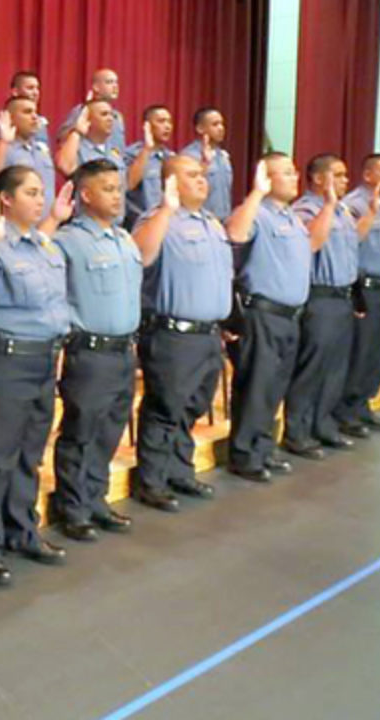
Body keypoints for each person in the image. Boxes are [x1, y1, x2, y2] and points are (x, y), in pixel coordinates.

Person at [0, 167, 74, 586]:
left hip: (42, 361)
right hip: (3, 365)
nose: (39, 198)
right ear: (5, 199)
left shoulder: (43, 244)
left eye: (42, 191)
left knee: (29, 454)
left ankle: (21, 531)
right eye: (30, 192)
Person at [130, 156, 240, 512]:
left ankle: (179, 470)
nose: (202, 181)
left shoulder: (212, 224)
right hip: (173, 334)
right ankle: (152, 480)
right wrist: (167, 207)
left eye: (203, 175)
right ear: (170, 182)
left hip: (208, 335)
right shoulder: (158, 220)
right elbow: (141, 256)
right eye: (192, 175)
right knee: (166, 407)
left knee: (192, 407)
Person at [51, 160, 147, 529]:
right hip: (88, 353)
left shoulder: (124, 239)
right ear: (86, 195)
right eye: (107, 188)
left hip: (123, 350)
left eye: (118, 187)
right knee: (82, 431)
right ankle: (72, 507)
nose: (117, 194)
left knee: (109, 430)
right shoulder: (67, 241)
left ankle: (95, 498)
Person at [224, 154, 317, 482]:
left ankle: (263, 447)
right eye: (286, 173)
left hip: (291, 316)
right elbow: (235, 234)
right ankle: (245, 454)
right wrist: (256, 193)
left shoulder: (291, 218)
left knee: (275, 387)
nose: (295, 177)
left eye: (294, 171)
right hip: (263, 314)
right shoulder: (256, 213)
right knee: (257, 386)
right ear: (266, 177)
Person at [283, 155, 377, 459]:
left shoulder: (342, 210)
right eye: (338, 175)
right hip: (319, 296)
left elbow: (352, 241)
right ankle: (297, 431)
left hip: (343, 296)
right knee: (313, 367)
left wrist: (370, 214)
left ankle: (322, 424)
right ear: (319, 179)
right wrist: (328, 206)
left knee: (335, 367)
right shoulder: (306, 209)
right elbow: (311, 242)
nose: (345, 181)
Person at [335, 153, 380, 435]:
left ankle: (363, 405)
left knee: (377, 352)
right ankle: (346, 411)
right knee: (361, 351)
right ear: (368, 175)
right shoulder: (355, 205)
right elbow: (350, 244)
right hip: (367, 288)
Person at [0, 96, 57, 216]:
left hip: (44, 228)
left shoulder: (42, 150)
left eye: (35, 112)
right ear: (10, 118)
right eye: (27, 112)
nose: (34, 117)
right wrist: (4, 142)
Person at [57, 98, 127, 225]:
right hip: (86, 227)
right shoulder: (76, 147)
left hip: (115, 227)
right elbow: (65, 166)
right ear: (87, 120)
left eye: (112, 114)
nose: (110, 118)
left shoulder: (114, 152)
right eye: (104, 114)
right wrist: (77, 131)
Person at [124, 105, 175, 227]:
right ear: (147, 126)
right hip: (140, 224)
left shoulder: (171, 157)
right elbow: (129, 184)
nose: (167, 126)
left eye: (169, 122)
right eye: (161, 121)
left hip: (167, 223)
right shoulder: (132, 154)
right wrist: (147, 149)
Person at [180, 107, 233, 218]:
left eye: (221, 124)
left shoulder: (223, 156)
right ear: (200, 128)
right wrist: (205, 163)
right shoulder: (189, 156)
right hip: (201, 220)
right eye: (215, 124)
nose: (221, 128)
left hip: (224, 221)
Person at [59, 69, 125, 153]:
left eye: (116, 82)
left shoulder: (117, 116)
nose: (115, 86)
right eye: (109, 82)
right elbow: (62, 138)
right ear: (96, 87)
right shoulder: (83, 111)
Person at [8, 70, 50, 147]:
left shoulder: (41, 122)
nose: (35, 93)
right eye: (30, 88)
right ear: (15, 92)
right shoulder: (2, 120)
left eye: (37, 88)